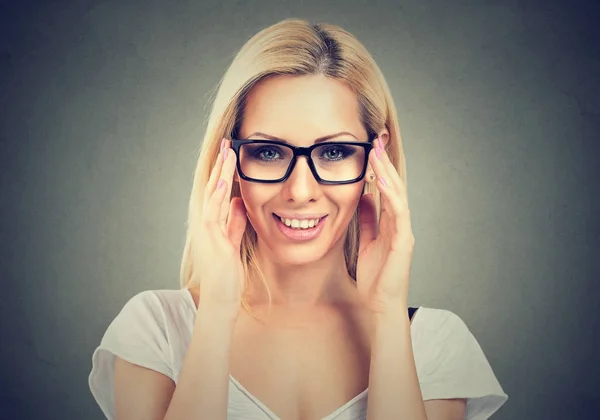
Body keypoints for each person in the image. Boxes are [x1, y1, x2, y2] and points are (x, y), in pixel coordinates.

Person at [88, 18, 508, 420]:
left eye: (334, 152)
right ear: (228, 159)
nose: (301, 191)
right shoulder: (156, 328)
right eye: (268, 152)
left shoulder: (434, 341)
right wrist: (217, 310)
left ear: (374, 159)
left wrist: (388, 315)